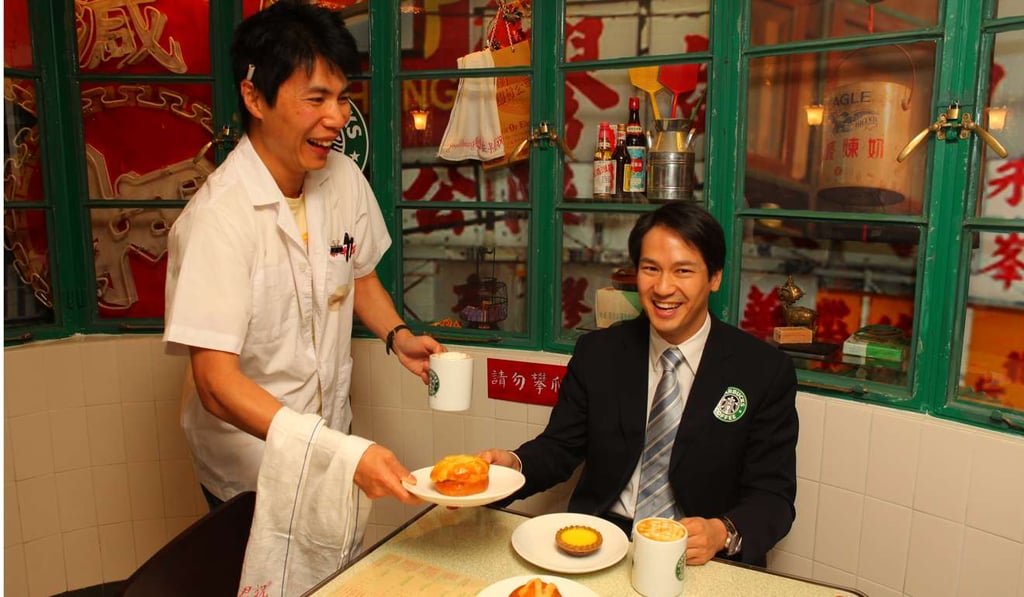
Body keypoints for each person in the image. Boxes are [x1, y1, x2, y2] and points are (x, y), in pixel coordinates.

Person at [164, 0, 441, 515]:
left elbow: (357, 275)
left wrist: (397, 337)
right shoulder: (218, 220)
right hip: (250, 463)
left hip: (331, 438)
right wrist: (332, 450)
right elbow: (215, 385)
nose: (336, 118)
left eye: (340, 97)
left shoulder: (342, 179)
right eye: (316, 99)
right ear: (254, 96)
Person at [481, 201, 798, 567]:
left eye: (683, 270)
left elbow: (773, 496)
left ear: (714, 277)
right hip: (603, 542)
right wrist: (512, 466)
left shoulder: (762, 370)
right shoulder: (599, 353)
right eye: (651, 269)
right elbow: (559, 447)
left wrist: (721, 532)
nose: (663, 288)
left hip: (700, 555)